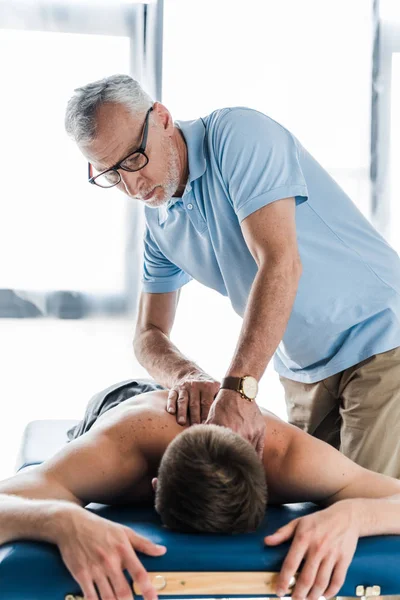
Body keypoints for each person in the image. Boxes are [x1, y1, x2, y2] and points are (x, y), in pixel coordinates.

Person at [64, 74, 400, 473]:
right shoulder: (159, 223)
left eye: (134, 159)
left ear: (163, 118)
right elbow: (147, 334)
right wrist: (188, 377)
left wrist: (238, 390)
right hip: (303, 372)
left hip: (380, 335)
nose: (133, 185)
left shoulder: (238, 137)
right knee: (313, 504)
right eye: (111, 174)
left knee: (367, 506)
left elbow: (280, 263)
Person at [1, 385, 400, 600]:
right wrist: (60, 519)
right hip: (124, 401)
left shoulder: (293, 461)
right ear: (152, 487)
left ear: (273, 491)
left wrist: (355, 515)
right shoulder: (114, 455)